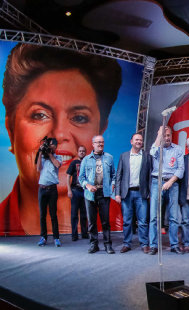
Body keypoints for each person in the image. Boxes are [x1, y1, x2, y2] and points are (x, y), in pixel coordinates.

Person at [0, 43, 122, 236]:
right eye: (40, 115)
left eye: (79, 118)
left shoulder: (122, 220)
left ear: (100, 131)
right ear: (11, 129)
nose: (58, 134)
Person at [148, 126, 184, 255]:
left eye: (168, 135)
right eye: (164, 135)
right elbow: (152, 153)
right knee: (154, 216)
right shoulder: (156, 148)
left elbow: (181, 169)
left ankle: (174, 245)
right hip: (156, 182)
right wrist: (159, 135)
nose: (167, 138)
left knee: (174, 217)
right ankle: (153, 245)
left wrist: (170, 182)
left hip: (173, 183)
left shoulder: (178, 149)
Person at [115, 133, 152, 254]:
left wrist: (150, 192)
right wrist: (117, 194)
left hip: (141, 193)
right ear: (131, 141)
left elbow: (150, 176)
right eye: (136, 140)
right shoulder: (124, 156)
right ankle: (127, 243)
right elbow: (118, 176)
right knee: (127, 221)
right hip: (127, 193)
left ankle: (144, 244)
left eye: (140, 140)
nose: (139, 142)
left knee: (142, 221)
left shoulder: (147, 156)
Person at [78, 135, 116, 254]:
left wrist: (113, 184)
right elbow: (81, 177)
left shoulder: (109, 158)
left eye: (102, 142)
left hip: (104, 193)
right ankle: (94, 244)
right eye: (98, 142)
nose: (100, 144)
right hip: (90, 195)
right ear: (93, 144)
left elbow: (113, 175)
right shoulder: (86, 159)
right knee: (92, 222)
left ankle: (107, 245)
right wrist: (88, 186)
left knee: (105, 221)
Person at [36, 137, 62, 247]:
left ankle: (56, 238)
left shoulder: (58, 157)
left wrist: (49, 153)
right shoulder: (42, 157)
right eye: (48, 144)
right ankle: (43, 237)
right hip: (42, 189)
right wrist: (41, 152)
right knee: (42, 215)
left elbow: (57, 165)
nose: (49, 146)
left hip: (52, 190)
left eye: (50, 144)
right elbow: (38, 168)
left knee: (53, 215)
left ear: (55, 146)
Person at [66, 145, 88, 241]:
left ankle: (84, 233)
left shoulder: (87, 163)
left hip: (85, 191)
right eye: (80, 151)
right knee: (74, 214)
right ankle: (74, 235)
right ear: (77, 152)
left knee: (84, 214)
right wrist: (69, 190)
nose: (82, 152)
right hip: (75, 190)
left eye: (83, 151)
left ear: (85, 152)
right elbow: (68, 176)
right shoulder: (74, 162)